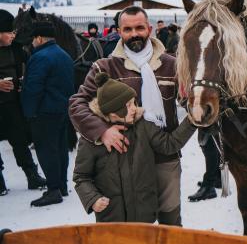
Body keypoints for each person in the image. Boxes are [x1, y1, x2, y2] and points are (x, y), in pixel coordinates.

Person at [69, 6, 184, 225]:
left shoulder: (172, 65)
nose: (134, 34)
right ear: (119, 31)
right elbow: (77, 104)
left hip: (165, 159)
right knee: (134, 230)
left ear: (149, 29)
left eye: (139, 28)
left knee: (171, 224)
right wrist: (102, 131)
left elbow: (188, 98)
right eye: (127, 29)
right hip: (127, 164)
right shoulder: (105, 67)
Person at [73, 73, 195, 222]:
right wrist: (92, 199)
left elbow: (169, 145)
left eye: (134, 103)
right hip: (112, 220)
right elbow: (81, 177)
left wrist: (192, 121)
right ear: (113, 112)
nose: (134, 109)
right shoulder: (92, 139)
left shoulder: (144, 126)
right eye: (128, 105)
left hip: (144, 216)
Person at [21, 21, 75, 207]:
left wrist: (29, 112)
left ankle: (53, 190)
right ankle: (62, 185)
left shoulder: (40, 57)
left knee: (46, 151)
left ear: (39, 38)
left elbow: (33, 87)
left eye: (33, 39)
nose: (32, 43)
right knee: (60, 148)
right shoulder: (64, 55)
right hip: (61, 110)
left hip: (44, 112)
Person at [0, 10, 47, 196]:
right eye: (9, 32)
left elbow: (30, 69)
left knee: (20, 141)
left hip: (12, 105)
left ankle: (32, 176)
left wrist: (22, 83)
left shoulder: (16, 49)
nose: (13, 35)